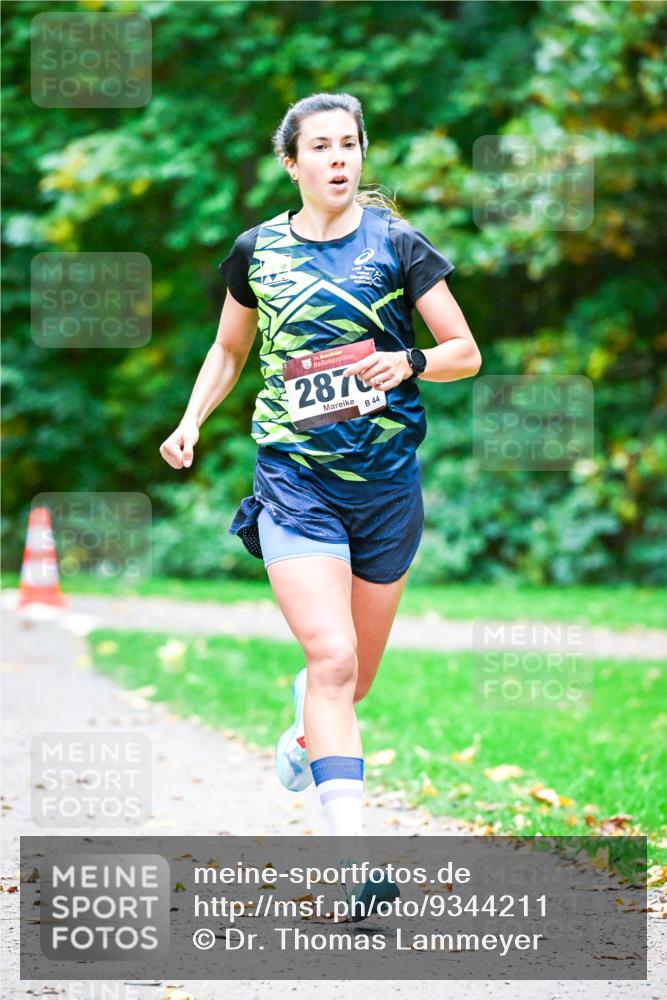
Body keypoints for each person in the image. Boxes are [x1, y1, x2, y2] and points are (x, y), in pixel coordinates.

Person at [159, 92, 481, 920]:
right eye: (322, 147)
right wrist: (191, 420)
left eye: (350, 145)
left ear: (360, 156)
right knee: (329, 660)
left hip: (383, 487)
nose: (339, 159)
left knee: (351, 683)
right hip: (293, 481)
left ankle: (308, 735)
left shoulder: (397, 244)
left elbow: (463, 353)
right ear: (292, 163)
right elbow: (230, 348)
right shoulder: (256, 251)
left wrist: (407, 362)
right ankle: (354, 864)